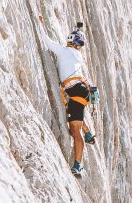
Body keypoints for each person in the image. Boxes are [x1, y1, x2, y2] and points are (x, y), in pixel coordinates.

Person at [38, 15, 93, 178]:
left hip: (76, 90)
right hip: (79, 90)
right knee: (74, 124)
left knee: (75, 131)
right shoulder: (76, 54)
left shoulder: (64, 51)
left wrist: (40, 23)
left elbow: (47, 42)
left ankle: (78, 166)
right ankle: (88, 132)